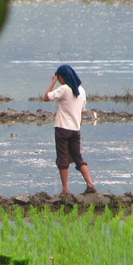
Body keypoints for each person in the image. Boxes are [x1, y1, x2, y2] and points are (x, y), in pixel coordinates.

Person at [43, 64, 97, 195]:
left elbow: (46, 97)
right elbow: (81, 112)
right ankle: (90, 185)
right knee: (78, 157)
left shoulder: (64, 89)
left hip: (62, 128)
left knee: (62, 159)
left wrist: (52, 82)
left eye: (59, 78)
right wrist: (78, 125)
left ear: (61, 77)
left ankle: (65, 190)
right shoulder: (82, 90)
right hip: (75, 129)